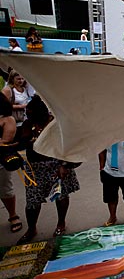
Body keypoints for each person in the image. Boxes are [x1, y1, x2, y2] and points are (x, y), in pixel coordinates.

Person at [17, 95, 80, 244]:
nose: (27, 115)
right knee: (32, 201)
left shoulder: (54, 124)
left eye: (30, 112)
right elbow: (21, 144)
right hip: (35, 169)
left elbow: (69, 146)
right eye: (27, 112)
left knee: (61, 196)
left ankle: (61, 223)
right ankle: (32, 228)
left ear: (40, 113)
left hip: (56, 165)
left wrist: (65, 165)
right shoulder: (27, 125)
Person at [0, 92, 22, 235]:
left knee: (5, 189)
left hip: (1, 161)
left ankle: (13, 215)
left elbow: (6, 141)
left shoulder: (7, 119)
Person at [2, 70, 31, 135]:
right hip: (14, 122)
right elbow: (3, 106)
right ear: (12, 79)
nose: (21, 81)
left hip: (25, 120)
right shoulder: (8, 90)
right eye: (18, 79)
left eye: (22, 78)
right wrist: (21, 106)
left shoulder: (25, 88)